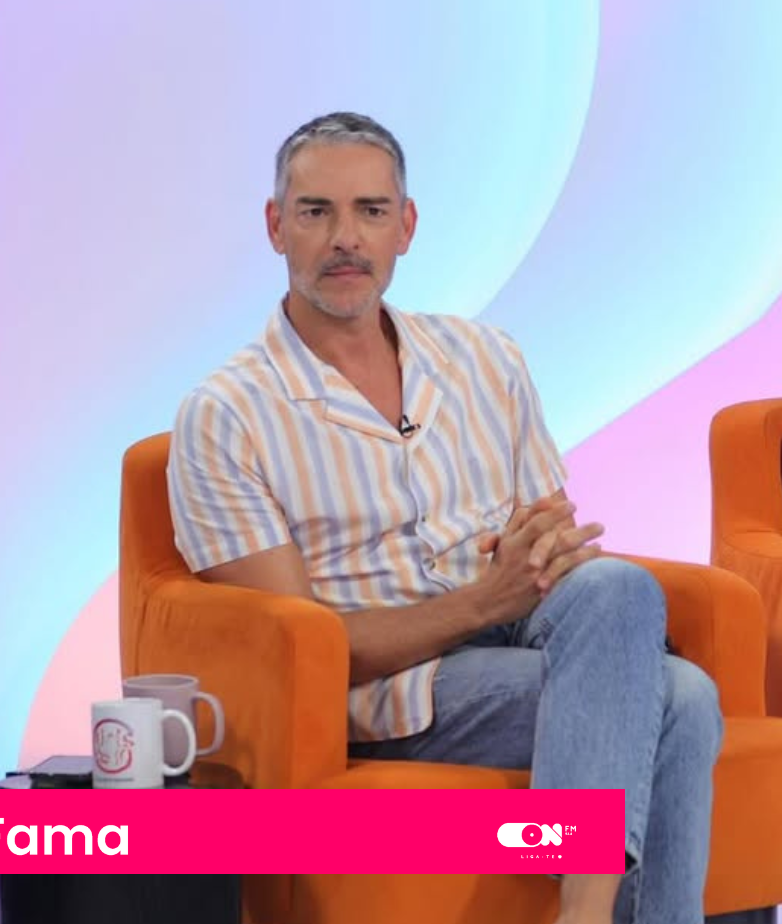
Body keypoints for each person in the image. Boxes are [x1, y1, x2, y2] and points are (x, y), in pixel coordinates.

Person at [166, 112, 722, 924]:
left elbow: (546, 538)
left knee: (618, 586)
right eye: (317, 212)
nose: (346, 238)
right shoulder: (227, 414)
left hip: (521, 631)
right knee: (683, 697)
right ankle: (585, 913)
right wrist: (483, 601)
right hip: (398, 689)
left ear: (407, 226)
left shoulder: (484, 358)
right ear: (277, 226)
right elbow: (300, 652)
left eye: (371, 211)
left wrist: (538, 569)